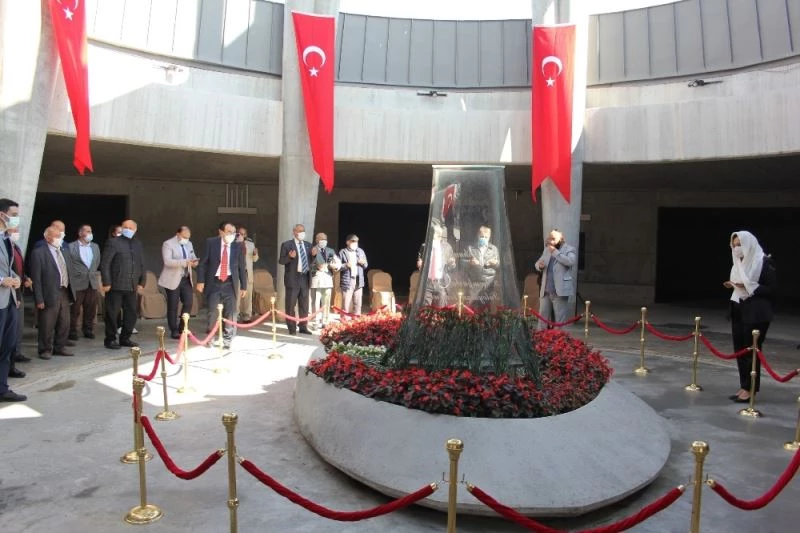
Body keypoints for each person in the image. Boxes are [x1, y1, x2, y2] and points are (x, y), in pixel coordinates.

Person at [724, 231, 776, 403]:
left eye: (740, 244)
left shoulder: (763, 262)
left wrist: (750, 286)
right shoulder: (738, 263)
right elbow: (740, 285)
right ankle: (744, 385)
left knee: (751, 351)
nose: (737, 249)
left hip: (756, 313)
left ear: (749, 243)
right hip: (738, 309)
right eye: (734, 245)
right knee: (739, 350)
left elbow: (771, 289)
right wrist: (735, 285)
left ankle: (751, 389)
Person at [196, 222, 247, 349]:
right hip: (214, 282)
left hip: (230, 282)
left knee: (231, 313)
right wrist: (200, 281)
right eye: (229, 232)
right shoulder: (211, 243)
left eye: (233, 232)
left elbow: (241, 267)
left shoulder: (237, 246)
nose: (232, 235)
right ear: (221, 232)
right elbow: (203, 263)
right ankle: (211, 337)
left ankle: (228, 340)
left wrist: (244, 286)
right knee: (212, 312)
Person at [100, 219, 146, 349]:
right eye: (125, 227)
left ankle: (125, 338)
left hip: (132, 285)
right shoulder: (113, 242)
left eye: (131, 228)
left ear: (135, 230)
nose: (128, 230)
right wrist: (106, 282)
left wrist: (142, 282)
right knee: (112, 314)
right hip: (115, 285)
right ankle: (110, 339)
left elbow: (141, 263)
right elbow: (105, 264)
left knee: (131, 313)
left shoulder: (137, 244)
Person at [29, 226, 73, 358]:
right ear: (48, 238)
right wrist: (39, 299)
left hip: (64, 291)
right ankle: (45, 349)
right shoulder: (39, 253)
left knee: (64, 322)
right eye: (57, 236)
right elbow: (36, 278)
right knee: (47, 324)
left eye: (60, 235)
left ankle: (60, 347)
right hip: (48, 293)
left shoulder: (64, 251)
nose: (60, 238)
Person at [0, 198, 26, 401]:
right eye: (14, 215)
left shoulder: (7, 239)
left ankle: (2, 389)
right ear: (2, 215)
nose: (16, 219)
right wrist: (1, 280)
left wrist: (15, 279)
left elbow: (8, 268)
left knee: (7, 346)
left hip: (8, 299)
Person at [158, 226, 198, 339]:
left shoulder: (189, 244)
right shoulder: (168, 244)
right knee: (173, 305)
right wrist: (185, 262)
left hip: (186, 278)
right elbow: (168, 261)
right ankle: (174, 330)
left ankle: (183, 327)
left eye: (188, 237)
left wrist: (195, 262)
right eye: (184, 237)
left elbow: (193, 256)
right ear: (178, 234)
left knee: (189, 302)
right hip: (172, 279)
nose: (186, 239)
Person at [534, 229, 577, 330]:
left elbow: (570, 261)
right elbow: (537, 263)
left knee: (560, 320)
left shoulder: (569, 249)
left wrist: (555, 252)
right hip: (546, 290)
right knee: (542, 318)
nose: (550, 241)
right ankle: (541, 337)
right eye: (549, 238)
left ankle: (558, 339)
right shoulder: (547, 250)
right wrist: (540, 266)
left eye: (553, 239)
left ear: (561, 239)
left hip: (560, 291)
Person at [66, 224, 101, 340]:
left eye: (91, 231)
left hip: (91, 282)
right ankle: (72, 331)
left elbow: (97, 262)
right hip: (77, 283)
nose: (90, 234)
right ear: (80, 233)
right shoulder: (71, 246)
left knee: (90, 309)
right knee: (74, 309)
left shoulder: (95, 247)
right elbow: (68, 264)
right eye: (87, 231)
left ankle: (88, 329)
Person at [278, 224, 314, 334]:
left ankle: (303, 327)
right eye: (299, 231)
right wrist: (290, 257)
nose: (302, 233)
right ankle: (292, 327)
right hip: (293, 279)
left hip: (305, 278)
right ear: (294, 232)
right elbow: (281, 261)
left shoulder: (308, 245)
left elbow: (310, 262)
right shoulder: (287, 245)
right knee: (290, 304)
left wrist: (313, 256)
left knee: (304, 305)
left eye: (303, 231)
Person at [6, 227, 30, 377]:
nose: (17, 233)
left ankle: (15, 356)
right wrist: (17, 298)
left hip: (17, 292)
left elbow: (18, 270)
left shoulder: (16, 247)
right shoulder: (6, 248)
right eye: (14, 230)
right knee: (9, 332)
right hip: (10, 294)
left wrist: (25, 278)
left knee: (17, 329)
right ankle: (9, 365)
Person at [465, 225, 500, 307]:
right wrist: (470, 262)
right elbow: (462, 263)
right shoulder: (470, 248)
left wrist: (494, 263)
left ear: (489, 237)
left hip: (488, 283)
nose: (484, 238)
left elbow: (498, 265)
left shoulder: (494, 249)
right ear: (478, 236)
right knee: (471, 307)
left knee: (485, 308)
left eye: (486, 237)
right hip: (474, 283)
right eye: (482, 236)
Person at [310, 232, 340, 328]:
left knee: (326, 301)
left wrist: (335, 266)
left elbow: (337, 262)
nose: (323, 241)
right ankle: (315, 321)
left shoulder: (330, 250)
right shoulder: (312, 250)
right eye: (321, 239)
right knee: (315, 301)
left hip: (327, 279)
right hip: (317, 278)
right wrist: (316, 267)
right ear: (316, 240)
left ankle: (325, 320)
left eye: (325, 239)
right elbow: (308, 264)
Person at [423, 220, 455, 306]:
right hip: (427, 282)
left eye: (438, 234)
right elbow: (420, 262)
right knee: (425, 308)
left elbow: (452, 266)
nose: (436, 236)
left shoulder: (447, 247)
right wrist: (420, 264)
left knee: (441, 307)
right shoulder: (425, 246)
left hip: (441, 282)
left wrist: (451, 263)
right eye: (434, 233)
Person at [338, 234, 368, 316]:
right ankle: (344, 319)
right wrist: (345, 265)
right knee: (346, 303)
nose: (355, 243)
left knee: (358, 303)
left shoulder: (360, 251)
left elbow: (366, 265)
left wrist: (363, 263)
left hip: (359, 280)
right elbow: (338, 267)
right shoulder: (343, 252)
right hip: (348, 280)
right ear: (347, 242)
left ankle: (356, 319)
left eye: (356, 242)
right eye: (353, 241)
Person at [236, 226, 259, 323]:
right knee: (237, 296)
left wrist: (255, 254)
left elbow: (255, 259)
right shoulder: (233, 243)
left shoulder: (251, 244)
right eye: (240, 233)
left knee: (248, 296)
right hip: (237, 273)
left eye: (244, 234)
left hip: (247, 273)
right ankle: (236, 315)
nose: (242, 235)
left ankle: (247, 316)